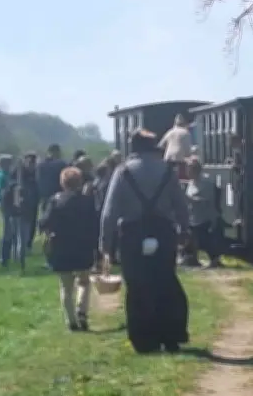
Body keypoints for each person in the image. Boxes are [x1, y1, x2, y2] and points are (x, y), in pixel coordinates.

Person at [100, 128, 191, 354]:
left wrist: (106, 247)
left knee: (138, 287)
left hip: (132, 233)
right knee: (165, 282)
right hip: (163, 231)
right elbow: (181, 205)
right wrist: (185, 231)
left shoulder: (122, 172)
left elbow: (109, 212)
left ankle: (143, 339)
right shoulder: (168, 171)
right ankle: (170, 335)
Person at [39, 167, 98, 331]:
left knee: (65, 286)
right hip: (83, 247)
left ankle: (71, 320)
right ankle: (82, 312)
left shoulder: (55, 200)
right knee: (84, 282)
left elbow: (44, 222)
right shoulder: (87, 201)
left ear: (62, 182)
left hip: (61, 247)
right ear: (80, 182)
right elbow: (95, 225)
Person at [184, 157, 224, 269]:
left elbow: (207, 200)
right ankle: (192, 258)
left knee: (204, 239)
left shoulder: (206, 183)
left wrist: (191, 200)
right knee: (191, 237)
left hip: (205, 216)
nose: (187, 171)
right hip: (193, 216)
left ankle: (215, 260)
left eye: (189, 169)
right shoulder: (191, 183)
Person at [10, 152, 40, 272]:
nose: (32, 164)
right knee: (20, 235)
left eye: (33, 162)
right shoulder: (19, 173)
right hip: (20, 207)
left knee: (25, 233)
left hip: (31, 205)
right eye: (30, 162)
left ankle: (20, 256)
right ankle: (19, 262)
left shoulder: (33, 173)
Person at [0, 155, 16, 267]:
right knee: (7, 231)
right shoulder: (3, 175)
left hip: (8, 205)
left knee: (10, 231)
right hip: (6, 205)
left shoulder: (5, 174)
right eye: (8, 163)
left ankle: (9, 256)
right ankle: (3, 258)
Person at [158, 114, 192, 179]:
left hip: (168, 158)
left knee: (168, 177)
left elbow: (160, 145)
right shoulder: (186, 132)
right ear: (184, 123)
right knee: (181, 178)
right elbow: (188, 150)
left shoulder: (170, 132)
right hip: (181, 159)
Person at [37, 144, 68, 213]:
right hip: (58, 198)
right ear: (57, 152)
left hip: (45, 198)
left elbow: (38, 181)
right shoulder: (62, 164)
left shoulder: (40, 165)